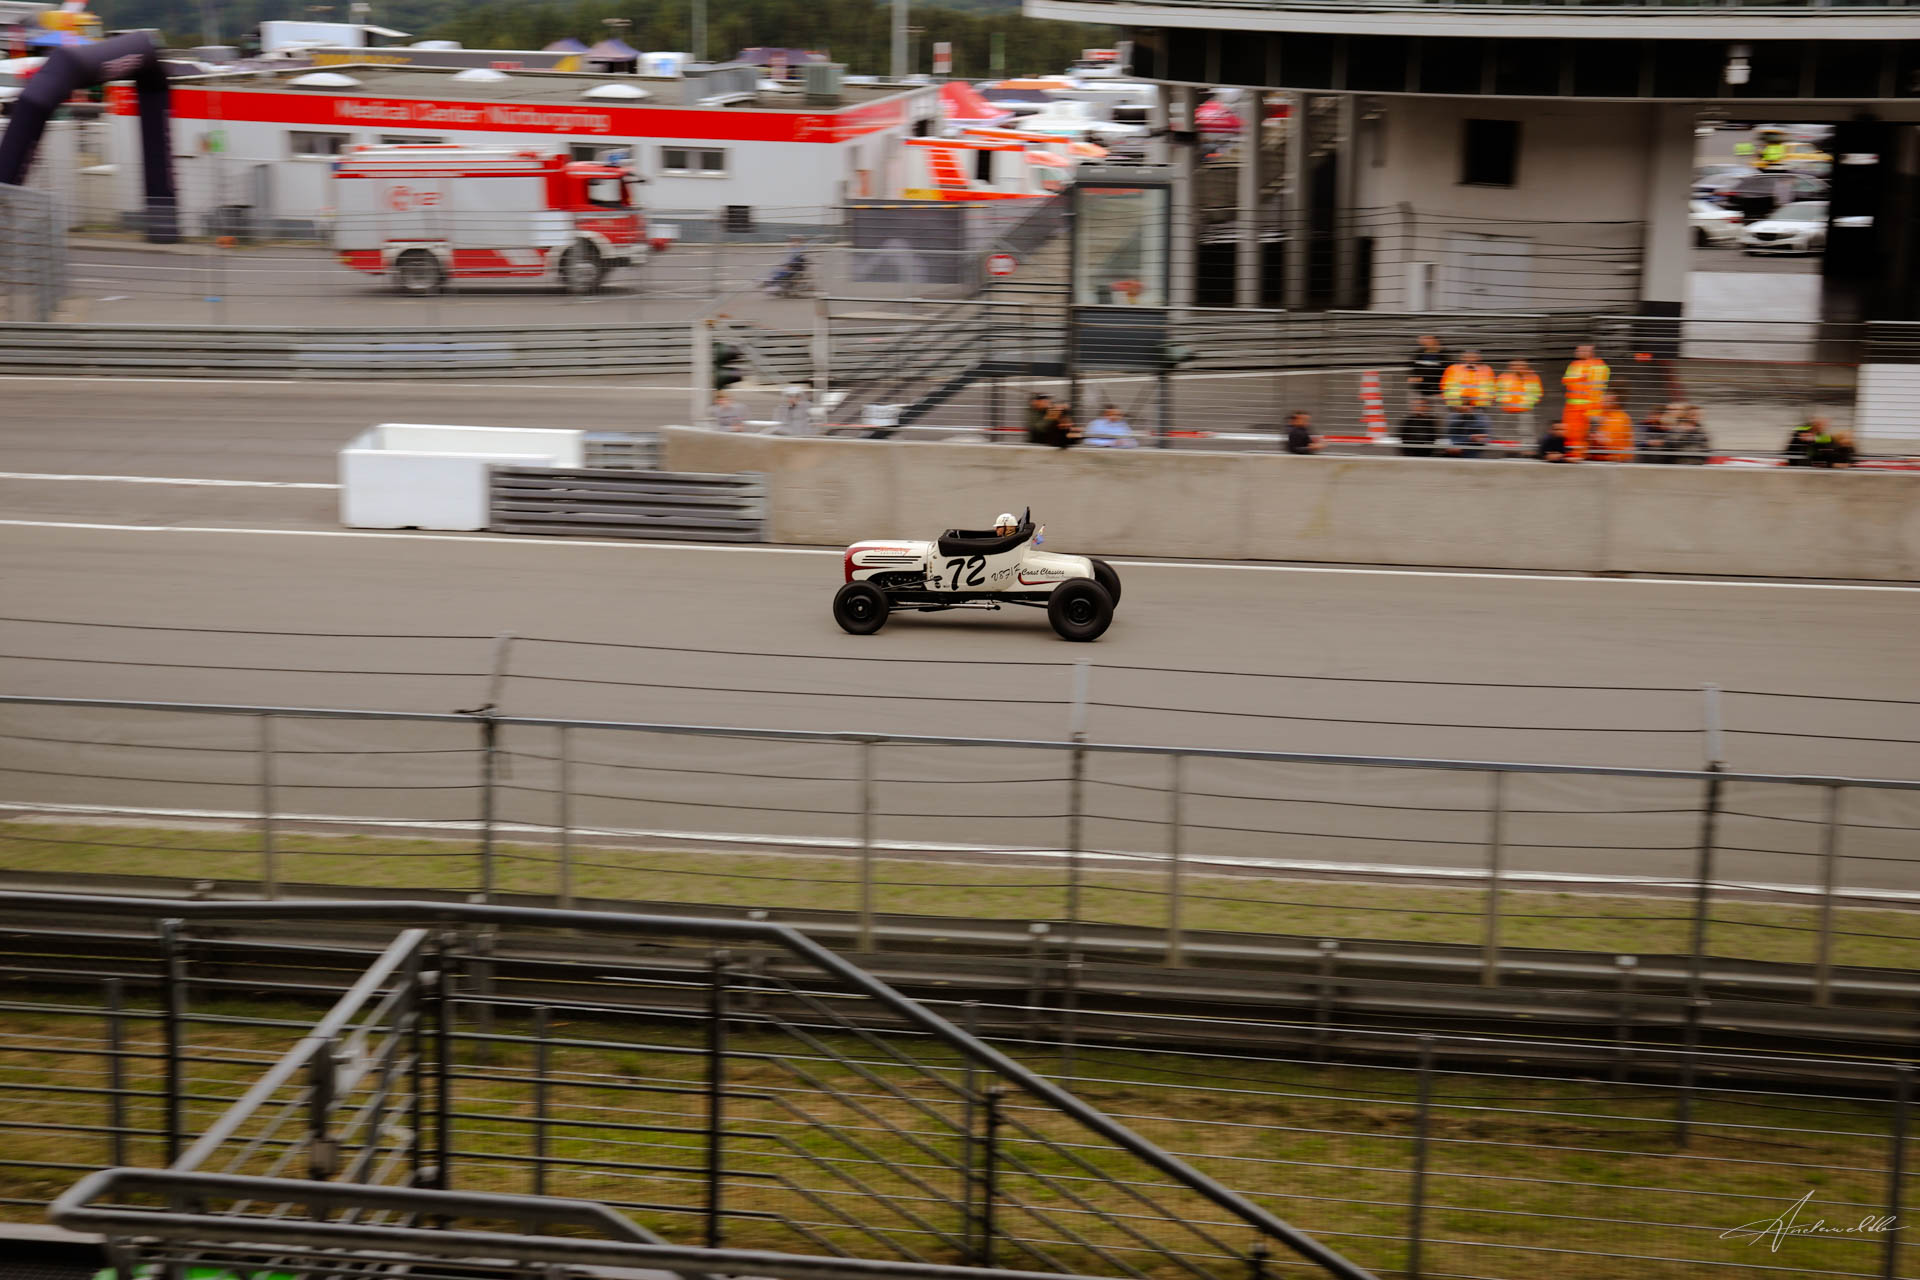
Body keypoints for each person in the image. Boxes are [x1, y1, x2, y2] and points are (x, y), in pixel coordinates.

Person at [1441, 349, 1494, 456]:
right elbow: (1446, 388)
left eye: (1473, 357)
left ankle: (1472, 455)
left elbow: (1490, 390)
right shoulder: (1453, 369)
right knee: (1454, 434)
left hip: (1477, 410)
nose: (1470, 359)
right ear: (1462, 358)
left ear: (1479, 358)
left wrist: (1475, 406)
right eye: (1467, 357)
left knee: (1479, 436)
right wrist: (1457, 405)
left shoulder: (1487, 370)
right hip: (1457, 410)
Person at [1561, 343, 1610, 461]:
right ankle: (1571, 455)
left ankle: (1577, 456)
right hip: (1572, 406)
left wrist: (1594, 411)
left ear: (1590, 352)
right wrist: (1580, 378)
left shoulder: (1599, 367)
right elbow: (1565, 380)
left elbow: (1597, 390)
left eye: (1581, 350)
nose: (1577, 352)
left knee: (1580, 434)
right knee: (1569, 433)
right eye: (1577, 350)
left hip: (1585, 407)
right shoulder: (1574, 364)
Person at [1495, 359, 1543, 443]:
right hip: (1507, 410)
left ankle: (1526, 448)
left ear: (1526, 366)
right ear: (1510, 367)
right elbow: (1497, 391)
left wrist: (1530, 403)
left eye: (1521, 365)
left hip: (1525, 410)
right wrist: (1503, 402)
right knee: (1503, 431)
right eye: (1515, 365)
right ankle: (1504, 447)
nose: (1518, 367)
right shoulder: (1503, 376)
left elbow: (1538, 393)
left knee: (1527, 431)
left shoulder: (1533, 377)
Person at [1590, 393, 1634, 462]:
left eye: (1609, 401)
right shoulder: (1597, 415)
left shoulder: (1623, 417)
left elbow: (1628, 436)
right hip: (1601, 457)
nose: (1605, 403)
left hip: (1619, 457)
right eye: (1604, 400)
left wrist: (1626, 455)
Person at [1408, 334, 1448, 408]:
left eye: (1428, 338)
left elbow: (1441, 372)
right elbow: (1412, 366)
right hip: (1420, 392)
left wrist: (1422, 378)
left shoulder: (1444, 355)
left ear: (1436, 340)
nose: (1424, 341)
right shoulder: (1419, 353)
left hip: (1437, 393)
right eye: (1423, 338)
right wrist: (1412, 376)